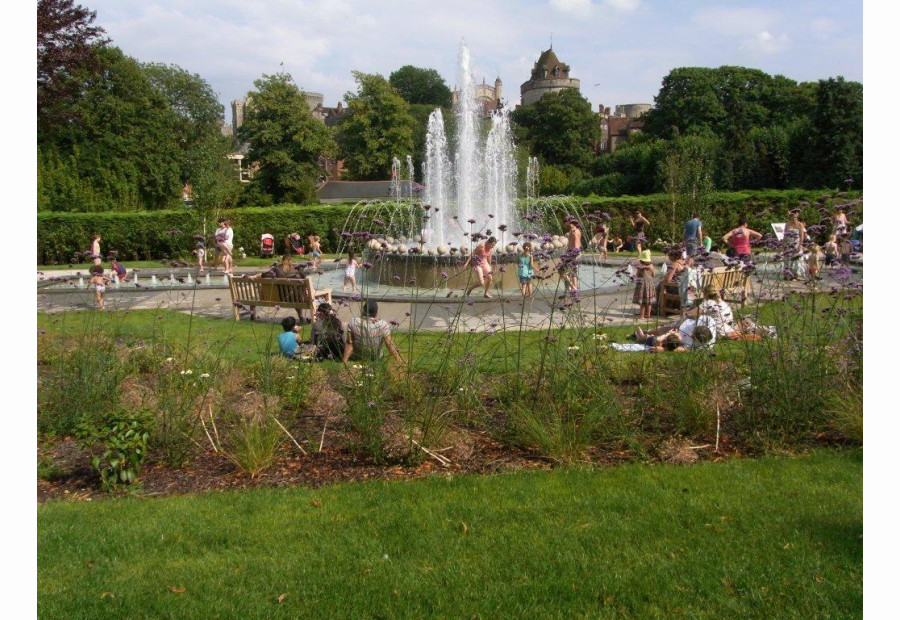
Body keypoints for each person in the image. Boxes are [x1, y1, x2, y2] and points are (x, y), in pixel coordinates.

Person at [634, 315, 717, 350]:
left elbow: (682, 349)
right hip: (685, 323)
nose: (691, 335)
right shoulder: (706, 321)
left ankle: (643, 337)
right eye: (693, 333)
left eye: (693, 337)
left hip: (676, 337)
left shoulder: (703, 346)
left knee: (661, 336)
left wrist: (665, 348)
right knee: (664, 328)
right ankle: (647, 332)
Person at [559, 219, 582, 292]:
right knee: (573, 273)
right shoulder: (574, 230)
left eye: (565, 223)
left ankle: (572, 288)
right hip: (572, 253)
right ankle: (574, 289)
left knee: (562, 272)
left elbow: (577, 245)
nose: (564, 225)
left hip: (572, 254)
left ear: (568, 222)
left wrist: (574, 254)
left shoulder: (574, 232)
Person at [632, 250, 656, 320]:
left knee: (642, 302)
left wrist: (635, 278)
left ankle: (642, 316)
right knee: (649, 302)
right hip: (650, 285)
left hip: (642, 285)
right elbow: (654, 275)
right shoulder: (651, 266)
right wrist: (651, 271)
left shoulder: (641, 267)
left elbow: (637, 275)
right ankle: (648, 316)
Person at [783, 209, 807, 280]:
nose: (794, 219)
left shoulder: (800, 224)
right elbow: (785, 235)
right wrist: (783, 243)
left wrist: (800, 245)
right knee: (788, 259)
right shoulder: (787, 224)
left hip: (796, 243)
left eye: (795, 218)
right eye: (792, 217)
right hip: (788, 243)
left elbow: (801, 236)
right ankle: (787, 274)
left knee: (797, 259)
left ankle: (797, 274)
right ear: (790, 217)